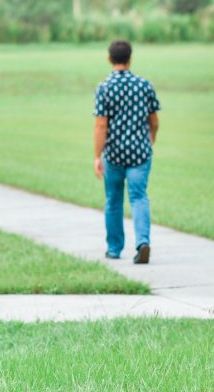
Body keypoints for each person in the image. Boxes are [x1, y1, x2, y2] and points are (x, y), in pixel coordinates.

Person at [93, 40, 160, 264]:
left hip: (113, 154)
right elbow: (154, 121)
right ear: (130, 58)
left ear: (109, 59)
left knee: (113, 200)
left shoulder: (104, 87)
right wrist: (150, 141)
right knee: (139, 197)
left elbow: (101, 125)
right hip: (140, 152)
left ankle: (114, 248)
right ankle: (142, 242)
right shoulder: (144, 85)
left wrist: (96, 156)